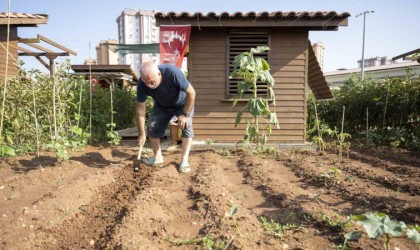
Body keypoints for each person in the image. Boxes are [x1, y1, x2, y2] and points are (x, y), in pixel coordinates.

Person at [135, 61, 196, 173]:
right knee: (152, 127)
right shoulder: (141, 83)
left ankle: (184, 161)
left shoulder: (172, 73)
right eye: (146, 83)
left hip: (182, 104)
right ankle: (158, 157)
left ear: (159, 74)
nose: (149, 85)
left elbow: (191, 93)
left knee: (186, 126)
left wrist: (185, 115)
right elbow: (140, 109)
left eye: (152, 82)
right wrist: (142, 133)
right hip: (162, 105)